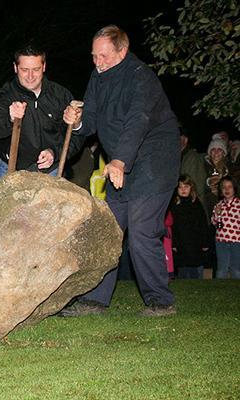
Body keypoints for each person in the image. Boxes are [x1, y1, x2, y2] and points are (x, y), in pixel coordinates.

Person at [61, 25, 180, 317]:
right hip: (122, 164)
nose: (97, 62)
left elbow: (137, 122)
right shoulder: (98, 77)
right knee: (109, 232)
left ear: (122, 51)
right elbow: (90, 121)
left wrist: (119, 161)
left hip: (153, 163)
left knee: (141, 231)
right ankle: (94, 301)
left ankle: (160, 302)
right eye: (94, 56)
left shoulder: (142, 78)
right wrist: (75, 121)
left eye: (103, 56)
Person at [0, 45, 85, 179]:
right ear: (15, 68)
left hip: (51, 173)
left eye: (36, 69)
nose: (30, 76)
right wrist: (9, 118)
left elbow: (76, 136)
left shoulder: (60, 95)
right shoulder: (6, 95)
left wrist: (55, 153)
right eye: (24, 70)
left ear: (44, 67)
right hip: (10, 171)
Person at [171, 175, 210, 279]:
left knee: (196, 269)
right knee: (182, 269)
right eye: (180, 187)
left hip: (196, 242)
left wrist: (205, 242)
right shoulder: (174, 205)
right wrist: (173, 243)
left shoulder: (196, 203)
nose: (183, 189)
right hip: (181, 242)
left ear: (191, 188)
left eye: (186, 187)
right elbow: (173, 226)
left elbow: (203, 224)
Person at [211, 176, 240, 279]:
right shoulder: (219, 205)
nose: (226, 190)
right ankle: (219, 291)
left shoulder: (238, 204)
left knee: (236, 269)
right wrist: (218, 214)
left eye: (229, 187)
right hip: (221, 240)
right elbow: (215, 223)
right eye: (224, 187)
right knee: (221, 268)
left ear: (234, 189)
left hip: (237, 241)